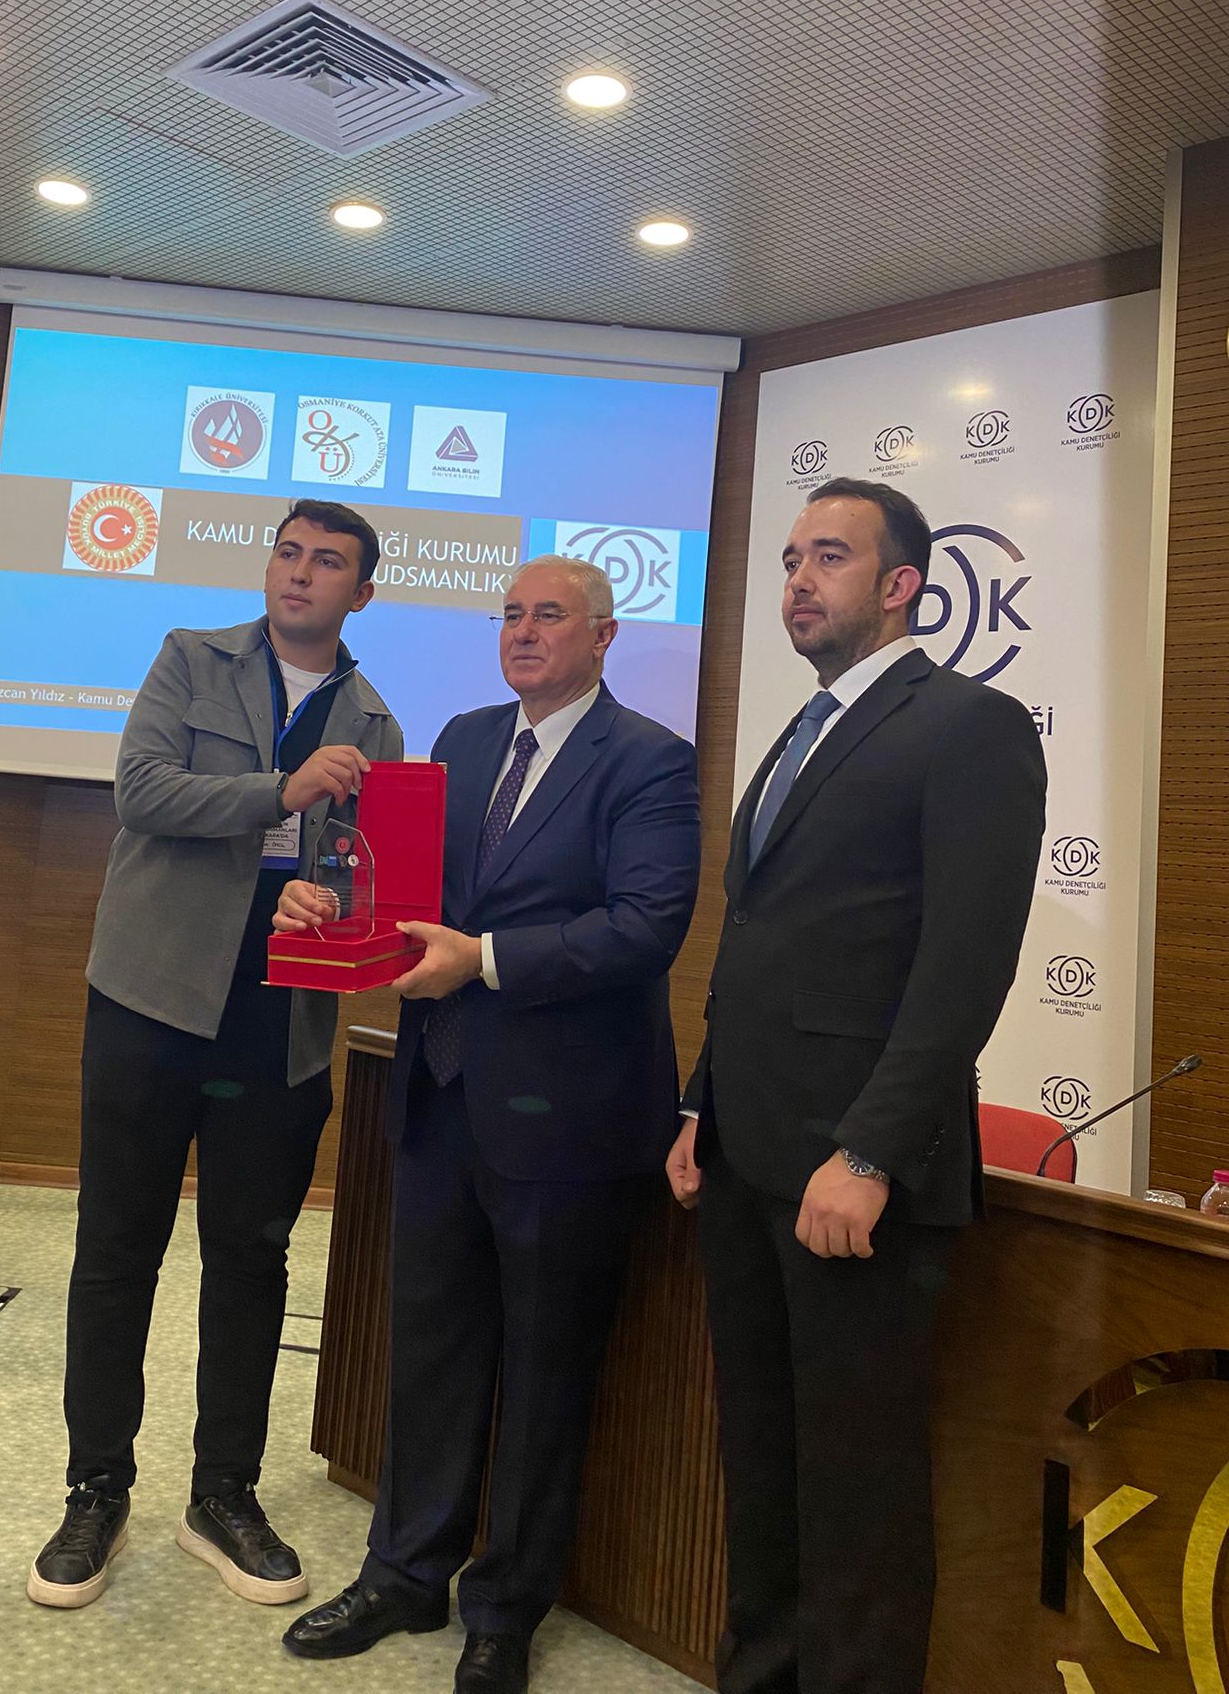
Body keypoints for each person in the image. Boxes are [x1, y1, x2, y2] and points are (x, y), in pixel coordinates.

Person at [276, 556, 701, 1694]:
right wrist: (329, 904)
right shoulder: (462, 740)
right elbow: (408, 896)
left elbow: (645, 926)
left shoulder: (650, 759)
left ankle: (505, 1609)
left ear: (603, 637)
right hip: (441, 1093)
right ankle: (404, 1572)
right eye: (510, 614)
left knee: (547, 1370)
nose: (522, 631)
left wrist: (488, 959)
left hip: (570, 1120)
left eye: (548, 615)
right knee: (431, 1350)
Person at [667, 477, 1046, 1694]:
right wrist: (701, 1101)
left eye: (828, 556)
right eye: (791, 557)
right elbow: (761, 940)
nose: (797, 578)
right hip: (747, 1158)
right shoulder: (803, 728)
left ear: (902, 585)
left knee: (857, 1486)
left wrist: (873, 1148)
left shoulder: (971, 724)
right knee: (763, 1459)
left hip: (851, 1173)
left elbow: (965, 965)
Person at [26, 501, 402, 1612]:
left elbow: (364, 876)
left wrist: (330, 899)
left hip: (279, 1023)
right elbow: (140, 790)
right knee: (117, 1248)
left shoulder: (375, 723)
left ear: (361, 593)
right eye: (288, 553)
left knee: (252, 1257)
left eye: (327, 562)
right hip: (149, 998)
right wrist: (277, 790)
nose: (300, 573)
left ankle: (223, 1494)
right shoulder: (191, 658)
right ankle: (96, 1489)